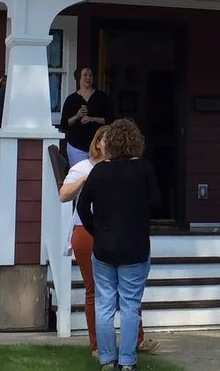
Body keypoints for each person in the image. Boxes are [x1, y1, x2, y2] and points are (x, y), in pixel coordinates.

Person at [59, 126, 158, 358]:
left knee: (115, 300)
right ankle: (105, 349)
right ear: (97, 143)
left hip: (109, 236)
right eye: (104, 139)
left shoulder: (114, 169)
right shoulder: (84, 167)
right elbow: (64, 195)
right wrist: (86, 180)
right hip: (95, 233)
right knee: (105, 295)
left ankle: (121, 349)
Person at [58, 67, 114, 166]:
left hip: (98, 147)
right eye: (85, 75)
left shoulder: (101, 97)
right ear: (78, 78)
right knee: (80, 174)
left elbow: (110, 120)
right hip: (76, 147)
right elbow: (64, 124)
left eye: (90, 75)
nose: (88, 78)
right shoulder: (71, 99)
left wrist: (92, 119)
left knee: (96, 174)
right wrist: (77, 116)